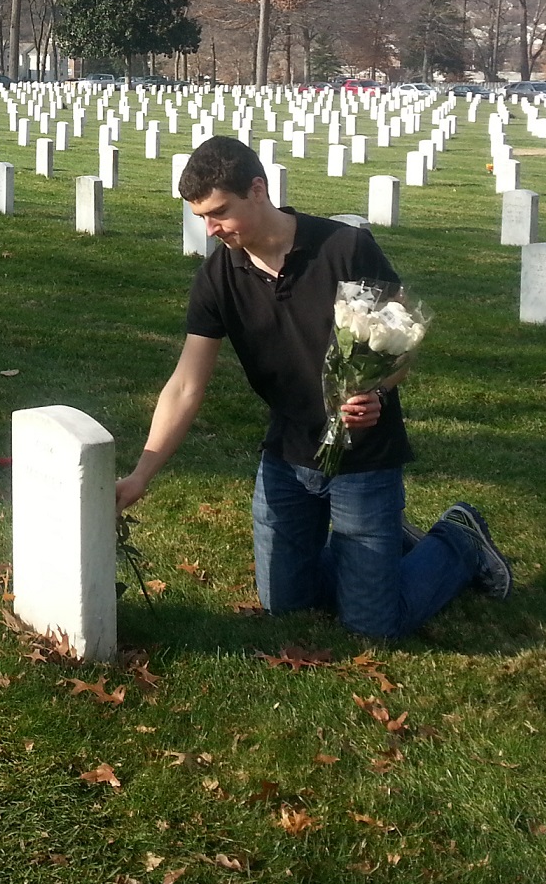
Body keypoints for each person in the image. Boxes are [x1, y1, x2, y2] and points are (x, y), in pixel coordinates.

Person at [115, 136, 509, 638]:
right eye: (201, 217)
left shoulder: (345, 249)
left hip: (363, 454)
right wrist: (142, 474)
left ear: (258, 189)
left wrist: (378, 392)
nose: (211, 230)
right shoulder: (218, 276)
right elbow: (186, 384)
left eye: (219, 213)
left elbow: (397, 347)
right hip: (288, 451)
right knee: (286, 605)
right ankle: (377, 557)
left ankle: (458, 540)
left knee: (372, 626)